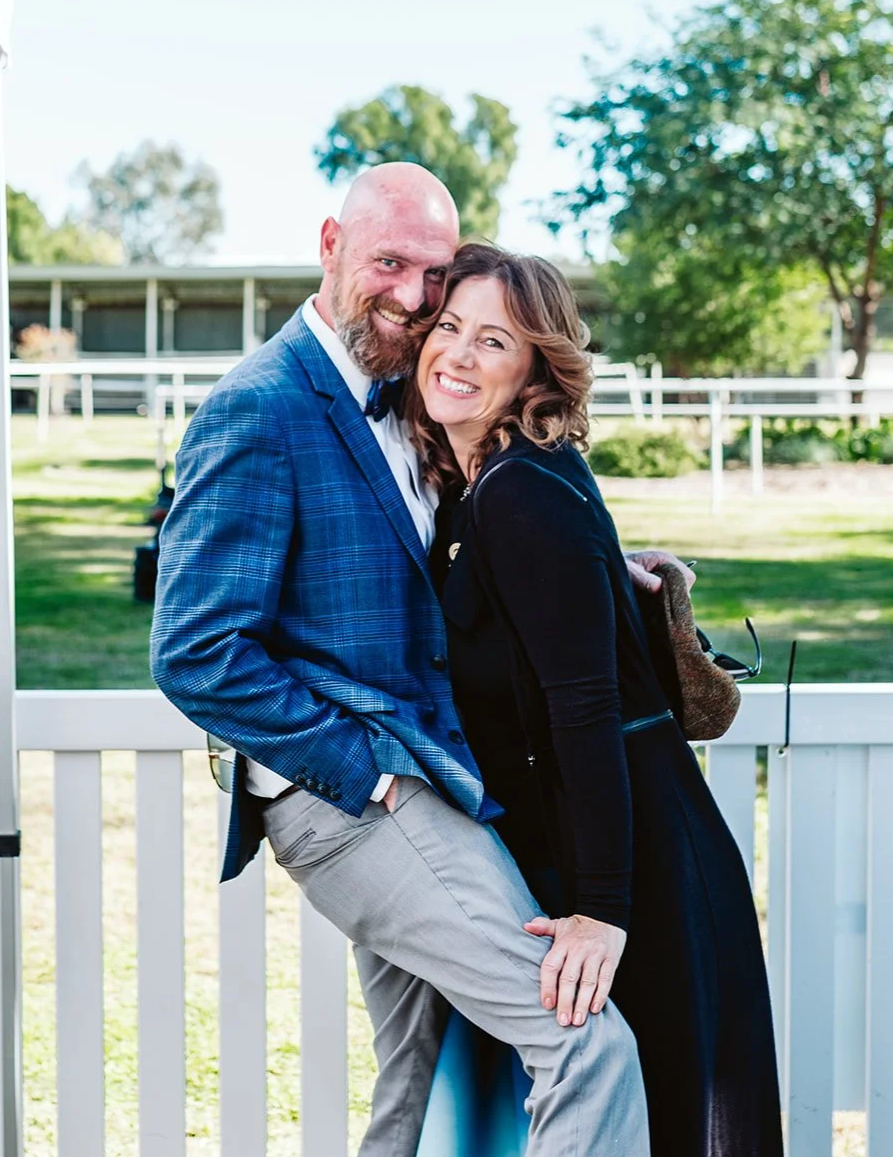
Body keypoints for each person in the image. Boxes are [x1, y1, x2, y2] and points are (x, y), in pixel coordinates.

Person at [150, 164, 656, 1157]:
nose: (416, 298)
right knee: (584, 1043)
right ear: (330, 245)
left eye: (434, 273)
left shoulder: (405, 394)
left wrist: (605, 569)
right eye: (390, 263)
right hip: (364, 795)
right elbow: (197, 650)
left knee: (415, 1081)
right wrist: (369, 773)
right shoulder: (259, 405)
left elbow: (462, 570)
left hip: (436, 779)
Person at [408, 241, 785, 1157]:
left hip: (639, 868)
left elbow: (584, 711)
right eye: (448, 327)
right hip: (608, 849)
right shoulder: (492, 484)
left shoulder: (518, 494)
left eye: (493, 342)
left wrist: (602, 909)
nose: (457, 355)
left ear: (536, 365)